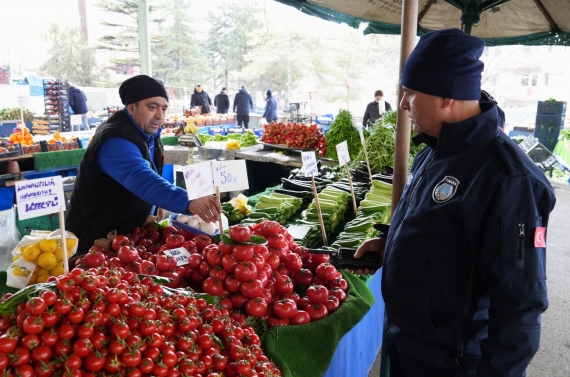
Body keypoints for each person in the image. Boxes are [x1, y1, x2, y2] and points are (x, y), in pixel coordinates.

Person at [354, 29, 556, 377]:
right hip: (409, 343)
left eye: (411, 93)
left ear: (447, 96)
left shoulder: (508, 180)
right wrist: (392, 247)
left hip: (452, 362)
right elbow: (443, 234)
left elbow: (519, 307)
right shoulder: (436, 150)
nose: (402, 104)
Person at [66, 75, 222, 255]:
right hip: (97, 237)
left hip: (126, 234)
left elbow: (153, 169)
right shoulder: (116, 140)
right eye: (152, 107)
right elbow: (142, 178)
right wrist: (189, 200)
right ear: (131, 108)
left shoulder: (147, 132)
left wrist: (157, 204)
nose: (160, 115)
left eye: (164, 108)